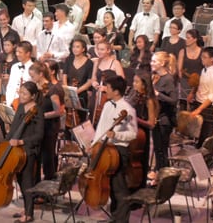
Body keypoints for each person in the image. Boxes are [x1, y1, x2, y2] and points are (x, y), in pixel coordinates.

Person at [90, 75, 137, 223]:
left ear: (116, 91)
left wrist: (116, 134)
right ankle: (114, 218)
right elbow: (101, 128)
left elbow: (133, 134)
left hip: (118, 151)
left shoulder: (128, 110)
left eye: (108, 88)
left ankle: (121, 220)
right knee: (109, 185)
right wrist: (93, 145)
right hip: (104, 149)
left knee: (119, 187)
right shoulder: (107, 105)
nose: (105, 90)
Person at [9, 81, 44, 223]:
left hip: (28, 150)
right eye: (20, 92)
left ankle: (29, 214)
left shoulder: (38, 110)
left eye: (24, 93)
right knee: (19, 180)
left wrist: (21, 142)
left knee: (27, 181)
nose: (21, 95)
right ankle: (26, 208)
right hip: (16, 150)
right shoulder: (21, 106)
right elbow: (14, 128)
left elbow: (39, 136)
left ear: (33, 96)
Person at [30, 61, 64, 182]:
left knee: (47, 156)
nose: (31, 79)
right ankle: (36, 182)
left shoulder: (52, 89)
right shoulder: (37, 89)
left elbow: (59, 111)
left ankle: (49, 184)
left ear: (40, 74)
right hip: (39, 126)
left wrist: (42, 116)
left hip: (50, 127)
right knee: (37, 156)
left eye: (33, 76)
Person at [125, 71, 157, 190]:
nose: (134, 84)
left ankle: (138, 189)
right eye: (133, 81)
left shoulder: (149, 101)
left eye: (137, 82)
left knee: (139, 163)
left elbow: (151, 123)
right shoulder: (134, 95)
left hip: (141, 136)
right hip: (131, 132)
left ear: (144, 85)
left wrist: (135, 118)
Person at [150, 51, 178, 173]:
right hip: (156, 117)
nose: (151, 63)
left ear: (162, 63)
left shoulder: (168, 79)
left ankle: (163, 173)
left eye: (154, 61)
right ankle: (158, 172)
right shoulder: (156, 77)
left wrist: (158, 94)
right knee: (157, 149)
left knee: (162, 149)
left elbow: (173, 100)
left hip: (165, 119)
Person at [188, 47, 213, 148]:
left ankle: (207, 158)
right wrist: (192, 93)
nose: (202, 59)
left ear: (212, 59)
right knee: (200, 132)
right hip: (199, 102)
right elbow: (200, 84)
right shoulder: (204, 70)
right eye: (202, 57)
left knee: (207, 134)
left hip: (207, 107)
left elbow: (212, 97)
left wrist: (199, 109)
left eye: (205, 57)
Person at [62, 36, 94, 123]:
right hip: (68, 94)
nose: (75, 49)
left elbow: (89, 81)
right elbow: (64, 75)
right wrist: (67, 89)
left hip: (81, 94)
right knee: (67, 120)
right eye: (73, 47)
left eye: (77, 47)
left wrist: (77, 91)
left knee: (80, 120)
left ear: (83, 49)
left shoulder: (89, 63)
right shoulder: (69, 59)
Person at [178, 29, 205, 110]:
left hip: (198, 84)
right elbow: (179, 70)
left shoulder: (202, 52)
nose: (186, 40)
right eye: (186, 38)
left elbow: (204, 69)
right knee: (183, 107)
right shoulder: (182, 51)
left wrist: (194, 87)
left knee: (195, 107)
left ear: (195, 39)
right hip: (184, 83)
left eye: (188, 38)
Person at [5, 41, 34, 108]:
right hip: (11, 103)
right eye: (16, 52)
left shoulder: (34, 68)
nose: (17, 54)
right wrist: (9, 102)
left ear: (28, 53)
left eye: (20, 52)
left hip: (26, 105)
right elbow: (10, 86)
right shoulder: (14, 66)